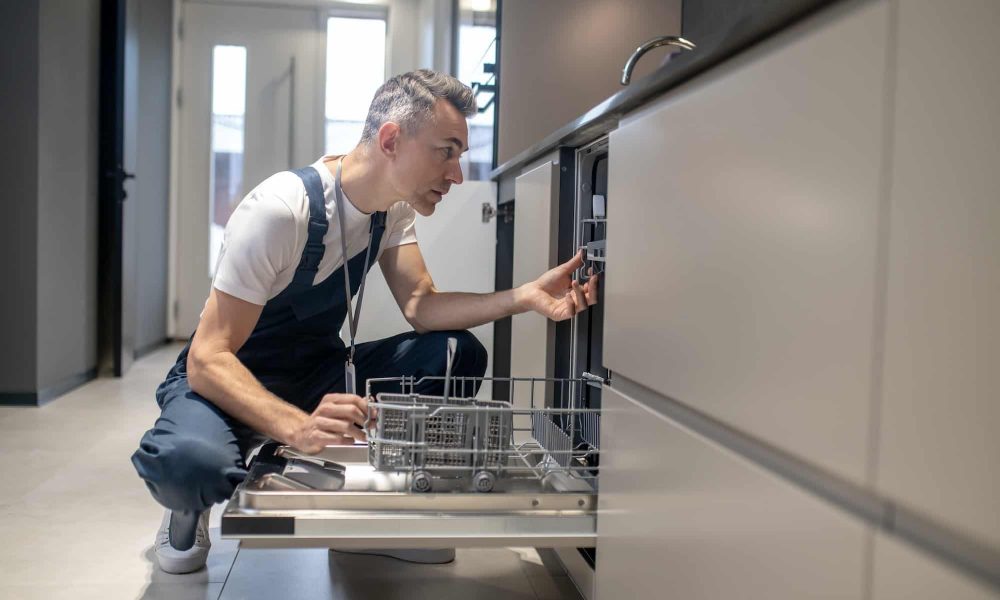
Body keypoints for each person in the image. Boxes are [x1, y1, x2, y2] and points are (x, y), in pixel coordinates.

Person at [131, 69, 600, 574]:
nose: (458, 175)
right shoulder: (281, 210)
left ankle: (372, 521)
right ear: (391, 139)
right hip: (226, 380)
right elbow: (208, 358)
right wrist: (297, 426)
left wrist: (523, 297)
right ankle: (187, 508)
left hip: (314, 374)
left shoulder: (391, 212)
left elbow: (421, 305)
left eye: (460, 155)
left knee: (455, 352)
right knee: (189, 465)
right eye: (446, 152)